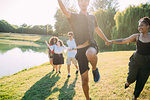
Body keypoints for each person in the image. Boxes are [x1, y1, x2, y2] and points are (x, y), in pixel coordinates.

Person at [57, 0, 110, 99]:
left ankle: (94, 69)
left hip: (91, 45)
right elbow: (64, 11)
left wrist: (106, 39)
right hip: (80, 51)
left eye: (85, 1)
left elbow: (97, 29)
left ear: (88, 2)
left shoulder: (92, 17)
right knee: (84, 80)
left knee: (90, 53)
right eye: (81, 1)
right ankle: (88, 98)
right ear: (78, 3)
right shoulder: (74, 17)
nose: (83, 2)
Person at [111, 17, 150, 100]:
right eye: (139, 26)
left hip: (147, 64)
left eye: (142, 25)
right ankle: (128, 82)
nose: (139, 27)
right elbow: (124, 40)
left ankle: (135, 97)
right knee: (131, 77)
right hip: (136, 61)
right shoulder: (136, 36)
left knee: (141, 82)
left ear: (148, 26)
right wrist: (112, 41)